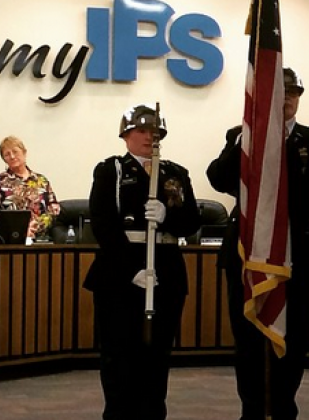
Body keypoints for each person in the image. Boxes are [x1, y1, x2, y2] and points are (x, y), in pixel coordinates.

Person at [207, 67, 309, 420]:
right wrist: (246, 139)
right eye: (280, 92)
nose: (287, 99)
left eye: (293, 93)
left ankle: (284, 407)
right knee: (249, 339)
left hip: (300, 253)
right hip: (250, 255)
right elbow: (218, 179)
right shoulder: (240, 134)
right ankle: (253, 410)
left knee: (295, 338)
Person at [83, 104, 201, 420]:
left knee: (157, 354)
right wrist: (130, 270)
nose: (150, 136)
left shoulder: (175, 173)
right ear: (125, 135)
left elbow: (191, 221)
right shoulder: (112, 171)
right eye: (141, 130)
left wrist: (168, 215)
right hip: (122, 273)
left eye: (155, 131)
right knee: (118, 355)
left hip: (166, 271)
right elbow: (103, 225)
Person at [0, 135, 60, 241]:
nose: (12, 156)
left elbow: (54, 210)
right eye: (7, 154)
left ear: (24, 152)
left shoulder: (41, 181)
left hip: (40, 240)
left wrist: (35, 226)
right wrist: (21, 229)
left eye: (15, 151)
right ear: (4, 159)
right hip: (9, 242)